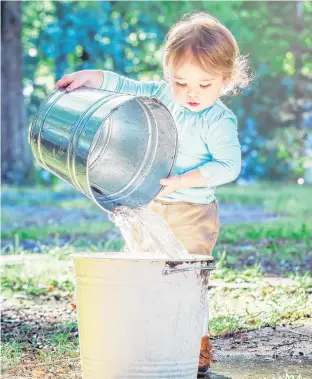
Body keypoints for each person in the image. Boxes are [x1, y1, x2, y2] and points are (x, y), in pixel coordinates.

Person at [56, 11, 251, 377]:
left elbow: (229, 166)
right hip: (152, 203)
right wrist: (90, 78)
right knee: (145, 273)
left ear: (225, 81)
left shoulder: (217, 120)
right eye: (181, 82)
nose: (191, 93)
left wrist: (184, 179)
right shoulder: (162, 95)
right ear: (168, 76)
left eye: (204, 85)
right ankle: (150, 340)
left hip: (194, 211)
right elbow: (123, 85)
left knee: (185, 278)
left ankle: (194, 346)